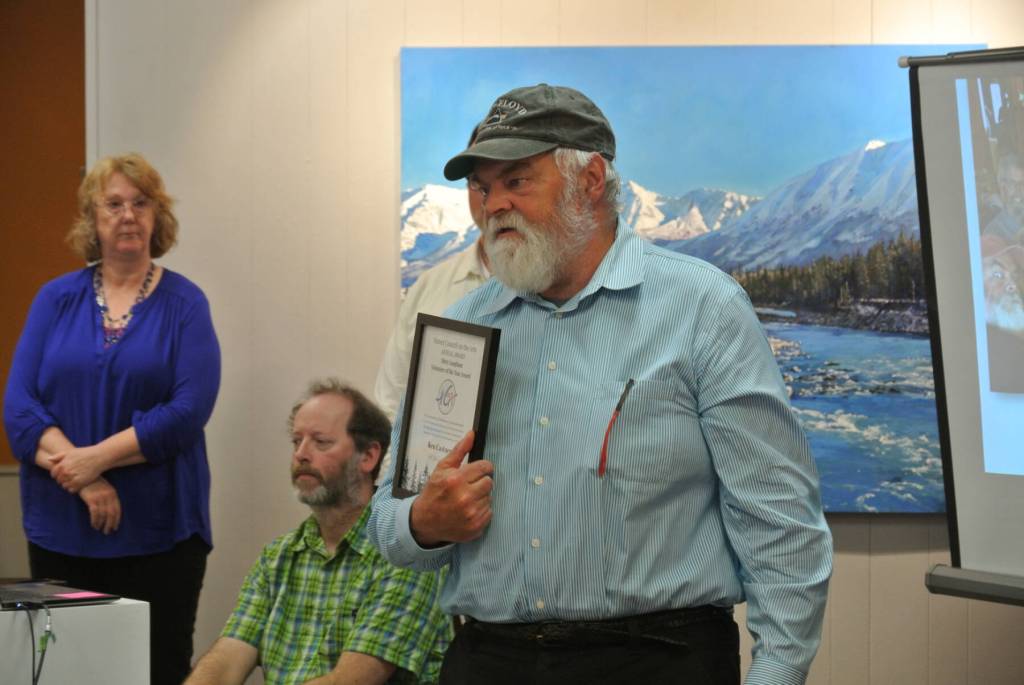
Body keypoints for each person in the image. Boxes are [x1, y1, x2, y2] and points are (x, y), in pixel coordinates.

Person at [369, 84, 833, 685]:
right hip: (488, 660)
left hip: (658, 658)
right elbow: (388, 519)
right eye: (482, 188)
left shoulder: (702, 306)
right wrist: (424, 524)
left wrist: (776, 675)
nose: (494, 206)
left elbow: (779, 521)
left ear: (590, 180)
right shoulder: (460, 330)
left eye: (517, 181)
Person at [3, 152, 221, 685]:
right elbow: (19, 407)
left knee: (157, 670)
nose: (128, 215)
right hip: (61, 530)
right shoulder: (54, 299)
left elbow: (188, 411)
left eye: (141, 203)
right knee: (64, 675)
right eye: (114, 203)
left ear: (157, 217)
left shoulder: (185, 303)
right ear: (92, 219)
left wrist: (91, 460)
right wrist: (85, 481)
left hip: (161, 537)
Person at [184, 379, 450, 685]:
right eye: (297, 441)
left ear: (369, 456)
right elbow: (227, 659)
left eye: (321, 442)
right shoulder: (279, 556)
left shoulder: (403, 554)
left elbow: (353, 680)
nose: (301, 455)